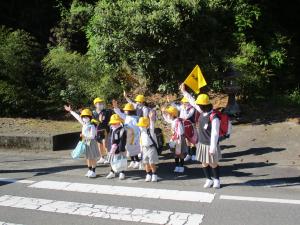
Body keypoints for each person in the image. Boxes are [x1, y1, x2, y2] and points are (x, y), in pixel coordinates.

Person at [180, 84, 222, 188]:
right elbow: (192, 102)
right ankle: (209, 179)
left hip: (210, 144)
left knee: (213, 163)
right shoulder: (202, 112)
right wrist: (184, 91)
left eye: (200, 104)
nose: (197, 106)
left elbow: (215, 133)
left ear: (204, 105)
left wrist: (212, 147)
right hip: (201, 143)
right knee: (204, 163)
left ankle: (216, 180)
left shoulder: (214, 116)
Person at [64, 105, 100, 178]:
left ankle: (93, 171)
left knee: (92, 157)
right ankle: (89, 170)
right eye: (83, 117)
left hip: (91, 142)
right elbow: (78, 117)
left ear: (90, 117)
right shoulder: (84, 124)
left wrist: (84, 136)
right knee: (87, 157)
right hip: (85, 142)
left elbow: (92, 136)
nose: (84, 118)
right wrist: (71, 111)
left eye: (86, 117)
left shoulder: (92, 126)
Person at [112, 100, 141, 169]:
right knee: (129, 149)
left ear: (129, 111)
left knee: (134, 149)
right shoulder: (127, 117)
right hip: (128, 136)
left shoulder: (135, 118)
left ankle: (137, 161)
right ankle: (133, 161)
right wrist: (115, 107)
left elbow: (137, 129)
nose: (124, 111)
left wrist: (136, 138)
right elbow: (119, 113)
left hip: (134, 136)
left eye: (126, 110)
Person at [161, 106, 188, 173]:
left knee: (180, 153)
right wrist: (163, 113)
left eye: (169, 113)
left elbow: (181, 132)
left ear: (173, 114)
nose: (168, 115)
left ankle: (181, 167)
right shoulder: (173, 120)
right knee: (176, 153)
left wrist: (176, 139)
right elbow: (167, 119)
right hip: (175, 138)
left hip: (179, 139)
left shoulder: (178, 121)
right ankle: (177, 166)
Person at [172, 97, 197, 162]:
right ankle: (189, 154)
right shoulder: (182, 107)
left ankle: (194, 154)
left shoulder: (192, 108)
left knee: (192, 140)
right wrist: (171, 101)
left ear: (188, 102)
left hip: (190, 125)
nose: (183, 103)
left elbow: (187, 116)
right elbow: (175, 106)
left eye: (185, 102)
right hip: (183, 125)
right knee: (186, 140)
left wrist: (184, 109)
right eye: (183, 102)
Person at [137, 112, 159, 182]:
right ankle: (148, 174)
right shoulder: (141, 131)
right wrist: (140, 151)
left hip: (151, 148)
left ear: (146, 125)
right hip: (144, 148)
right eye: (140, 125)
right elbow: (141, 141)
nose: (141, 126)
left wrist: (151, 118)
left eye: (142, 125)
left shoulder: (150, 130)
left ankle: (154, 174)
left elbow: (152, 123)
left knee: (151, 162)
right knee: (146, 162)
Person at [106, 114, 127, 180]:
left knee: (121, 161)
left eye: (115, 122)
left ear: (119, 122)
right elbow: (110, 139)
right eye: (113, 122)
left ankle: (122, 172)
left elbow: (122, 141)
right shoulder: (112, 129)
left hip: (120, 149)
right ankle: (112, 172)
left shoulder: (122, 130)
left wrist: (119, 149)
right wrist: (109, 148)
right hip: (112, 149)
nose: (113, 123)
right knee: (113, 161)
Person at [92, 97, 113, 165]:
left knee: (105, 144)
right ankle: (102, 157)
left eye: (101, 103)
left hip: (105, 130)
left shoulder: (107, 112)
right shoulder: (93, 113)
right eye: (99, 103)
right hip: (97, 131)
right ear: (95, 105)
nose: (101, 104)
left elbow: (111, 120)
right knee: (99, 145)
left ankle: (109, 158)